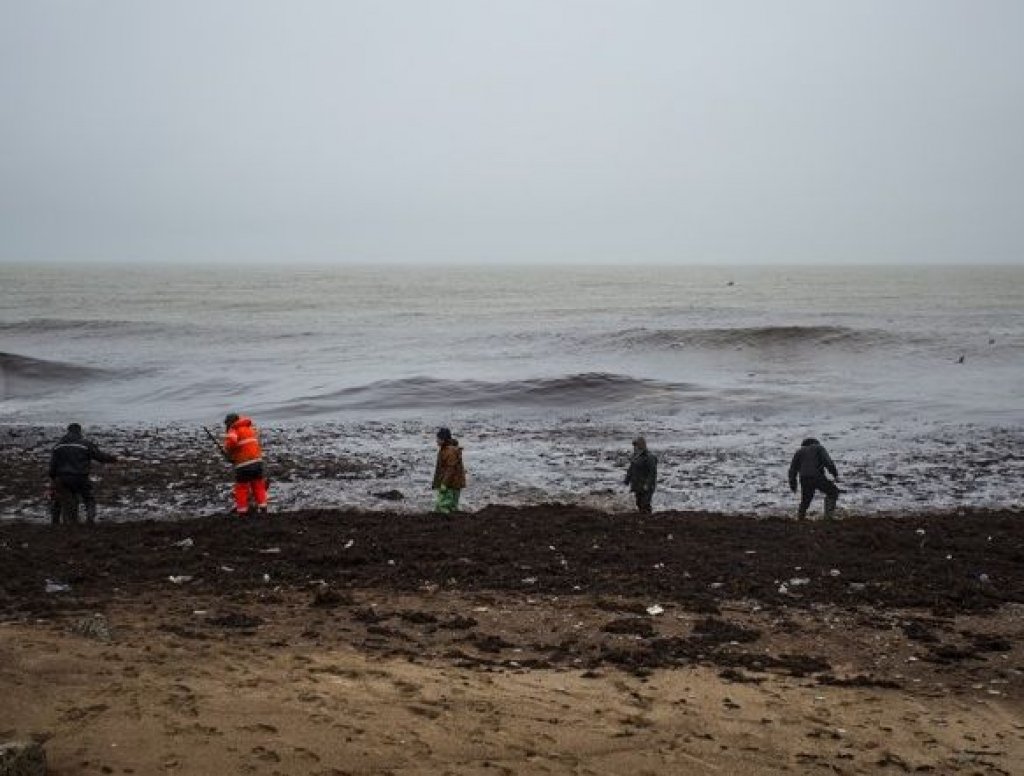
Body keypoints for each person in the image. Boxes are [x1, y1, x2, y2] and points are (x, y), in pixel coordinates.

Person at [48, 423, 118, 525]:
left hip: (62, 478)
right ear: (79, 431)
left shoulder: (58, 446)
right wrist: (114, 459)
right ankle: (90, 519)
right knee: (88, 498)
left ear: (68, 431)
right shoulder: (85, 444)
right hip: (80, 477)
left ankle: (55, 522)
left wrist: (53, 478)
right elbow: (99, 456)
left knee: (58, 499)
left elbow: (53, 466)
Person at [223, 413, 269, 516]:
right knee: (258, 485)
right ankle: (263, 508)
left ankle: (242, 512)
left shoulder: (234, 430)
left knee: (241, 488)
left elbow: (232, 442)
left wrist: (227, 451)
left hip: (243, 464)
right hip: (257, 462)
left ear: (230, 422)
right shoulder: (250, 429)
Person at [788, 437, 840, 519]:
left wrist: (793, 484)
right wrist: (835, 474)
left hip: (804, 478)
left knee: (806, 500)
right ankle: (828, 516)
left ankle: (800, 517)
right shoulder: (819, 448)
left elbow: (792, 470)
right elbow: (828, 462)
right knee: (833, 492)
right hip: (817, 476)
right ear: (815, 443)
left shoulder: (799, 452)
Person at [431, 427, 466, 514]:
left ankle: (445, 517)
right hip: (454, 482)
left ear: (443, 439)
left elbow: (450, 469)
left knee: (443, 504)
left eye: (438, 439)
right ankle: (453, 515)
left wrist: (444, 483)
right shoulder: (447, 449)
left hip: (450, 483)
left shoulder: (449, 451)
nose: (436, 441)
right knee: (452, 503)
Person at [624, 436, 658, 513]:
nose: (635, 447)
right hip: (637, 485)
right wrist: (627, 479)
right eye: (634, 446)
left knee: (645, 503)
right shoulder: (635, 456)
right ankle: (643, 517)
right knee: (638, 503)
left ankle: (649, 518)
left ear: (641, 445)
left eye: (636, 445)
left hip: (647, 486)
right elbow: (631, 469)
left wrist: (647, 484)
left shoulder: (649, 457)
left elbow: (652, 473)